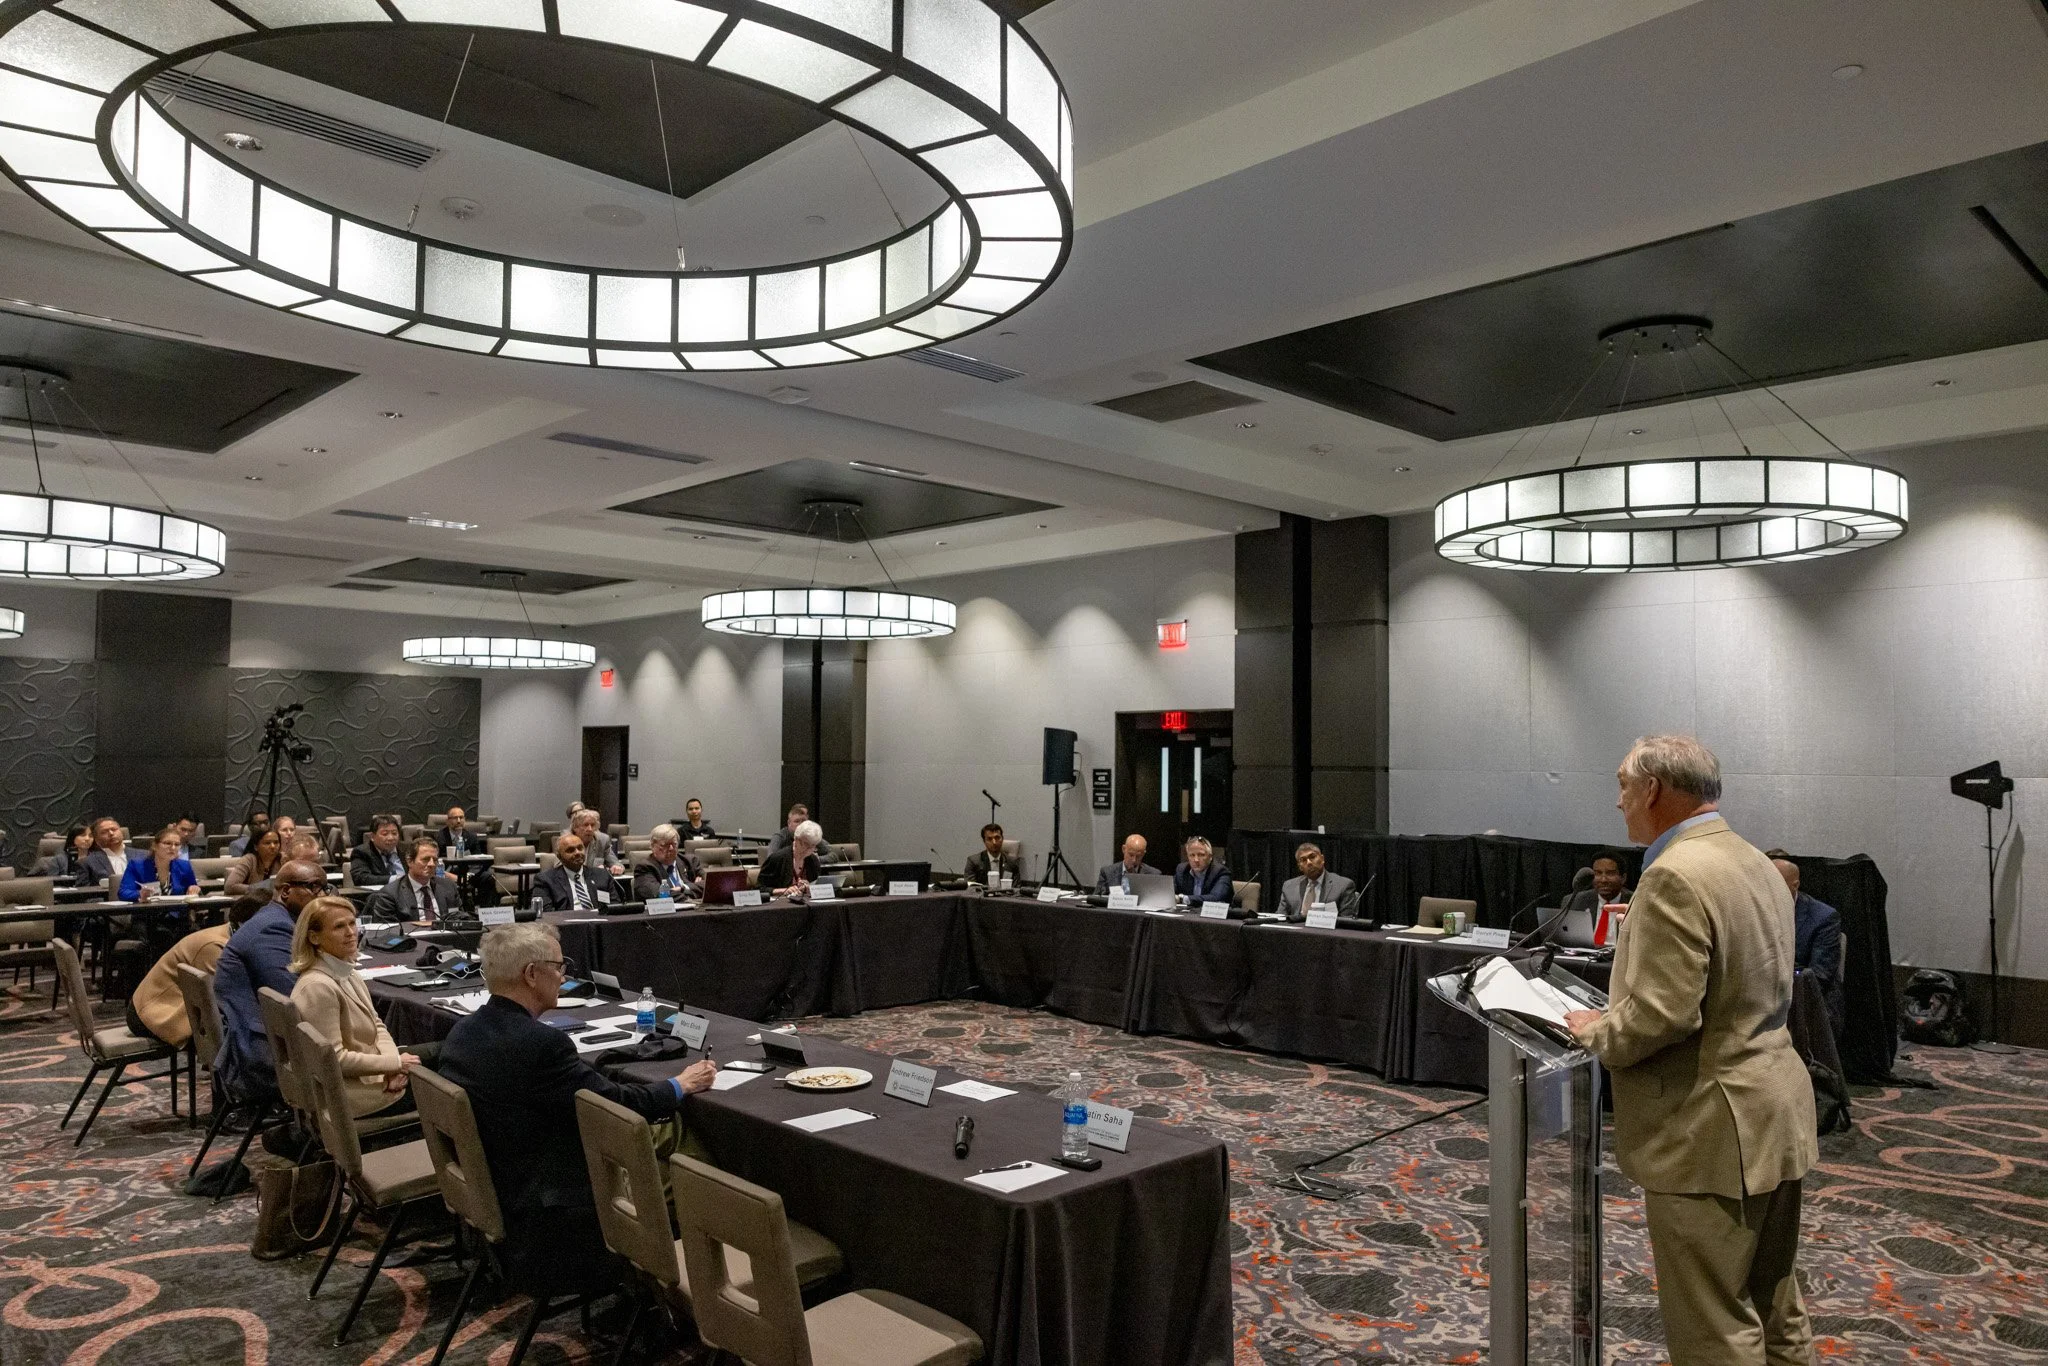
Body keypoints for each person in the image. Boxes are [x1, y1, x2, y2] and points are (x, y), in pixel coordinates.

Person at [1564, 737, 1817, 1366]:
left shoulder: (1674, 873)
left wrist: (1594, 1031)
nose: (1618, 801)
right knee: (1775, 1307)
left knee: (1714, 1326)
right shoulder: (1754, 860)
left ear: (1652, 790)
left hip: (1709, 1129)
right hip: (1775, 1112)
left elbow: (1663, 1015)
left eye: (1623, 785)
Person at [435, 922, 716, 1286]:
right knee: (690, 1149)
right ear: (531, 974)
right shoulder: (541, 1045)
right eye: (559, 966)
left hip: (505, 1186)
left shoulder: (463, 1031)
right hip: (556, 1212)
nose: (564, 976)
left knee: (662, 1137)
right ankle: (692, 1275)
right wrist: (681, 1084)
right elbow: (612, 1105)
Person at [289, 895, 419, 1117]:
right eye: (339, 927)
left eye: (352, 923)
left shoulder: (346, 971)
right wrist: (394, 1063)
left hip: (371, 1074)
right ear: (314, 937)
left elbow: (377, 1025)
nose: (350, 932)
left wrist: (392, 1066)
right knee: (448, 1081)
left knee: (443, 1053)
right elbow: (334, 1059)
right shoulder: (317, 987)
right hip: (350, 1096)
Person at [212, 860, 327, 1099]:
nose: (323, 896)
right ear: (286, 891)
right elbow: (295, 997)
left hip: (265, 1037)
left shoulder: (277, 918)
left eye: (325, 888)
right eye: (314, 887)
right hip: (264, 1052)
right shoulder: (273, 928)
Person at [126, 894, 266, 1047]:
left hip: (179, 1009)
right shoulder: (215, 946)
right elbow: (227, 998)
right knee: (247, 1034)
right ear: (246, 922)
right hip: (151, 1014)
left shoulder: (231, 936)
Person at [1765, 850, 1845, 1036]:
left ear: (1795, 885)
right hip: (1762, 998)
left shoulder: (1823, 918)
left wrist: (1778, 978)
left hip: (1807, 1003)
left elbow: (1818, 977)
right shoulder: (1755, 909)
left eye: (1775, 884)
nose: (1768, 891)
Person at [366, 840, 463, 924]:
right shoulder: (390, 894)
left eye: (435, 860)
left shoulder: (448, 887)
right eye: (425, 859)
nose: (432, 864)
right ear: (409, 861)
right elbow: (388, 932)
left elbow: (460, 920)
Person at [533, 833, 620, 913]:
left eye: (580, 848)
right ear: (559, 857)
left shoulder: (602, 875)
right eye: (570, 850)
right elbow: (546, 913)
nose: (577, 853)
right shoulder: (545, 880)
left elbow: (615, 906)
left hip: (600, 921)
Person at [1277, 842, 1359, 919]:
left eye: (1312, 857)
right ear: (1300, 867)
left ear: (1322, 859)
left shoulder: (1343, 885)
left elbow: (1345, 922)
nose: (1309, 863)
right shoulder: (1289, 886)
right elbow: (1280, 918)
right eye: (1303, 860)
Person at [119, 825, 198, 902]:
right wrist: (140, 894)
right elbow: (123, 893)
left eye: (177, 844)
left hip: (177, 910)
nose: (173, 848)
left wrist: (194, 889)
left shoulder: (184, 866)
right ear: (155, 846)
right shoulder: (137, 866)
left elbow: (193, 888)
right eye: (168, 843)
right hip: (148, 909)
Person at [633, 824, 702, 902]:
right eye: (665, 845)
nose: (671, 848)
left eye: (674, 844)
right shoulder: (644, 868)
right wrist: (692, 892)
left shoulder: (691, 861)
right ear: (653, 846)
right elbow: (659, 895)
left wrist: (683, 888)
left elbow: (709, 886)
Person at [758, 819, 823, 898]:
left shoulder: (813, 860)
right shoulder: (778, 858)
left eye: (813, 846)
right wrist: (783, 891)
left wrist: (809, 888)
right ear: (796, 840)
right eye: (806, 844)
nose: (809, 849)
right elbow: (760, 889)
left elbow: (817, 886)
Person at [349, 815, 405, 889]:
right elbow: (361, 878)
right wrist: (395, 879)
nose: (391, 838)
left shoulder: (407, 850)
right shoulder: (361, 852)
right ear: (372, 836)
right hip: (380, 893)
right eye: (385, 834)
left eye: (394, 833)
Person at [1094, 834, 1161, 895]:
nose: (1134, 860)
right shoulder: (1107, 873)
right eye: (1131, 855)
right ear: (1123, 849)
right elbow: (1096, 899)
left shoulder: (1153, 875)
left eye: (1138, 856)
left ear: (1143, 854)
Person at [225, 826, 284, 895]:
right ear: (256, 846)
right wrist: (261, 889)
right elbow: (230, 886)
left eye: (276, 842)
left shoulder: (283, 859)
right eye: (267, 843)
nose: (273, 846)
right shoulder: (249, 860)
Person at [766, 804, 835, 863]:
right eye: (797, 821)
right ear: (789, 823)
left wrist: (816, 859)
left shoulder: (811, 835)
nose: (800, 824)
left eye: (803, 821)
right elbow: (771, 858)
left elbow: (833, 855)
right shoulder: (780, 836)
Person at [1174, 836, 1233, 904]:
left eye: (1201, 855)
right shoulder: (1182, 870)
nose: (1196, 860)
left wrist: (1183, 899)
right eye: (1192, 855)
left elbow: (1216, 898)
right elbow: (1170, 893)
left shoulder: (1221, 872)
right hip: (1187, 910)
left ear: (1210, 857)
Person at [569, 808, 626, 878]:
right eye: (585, 825)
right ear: (575, 828)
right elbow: (560, 868)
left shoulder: (602, 841)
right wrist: (593, 871)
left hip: (594, 882)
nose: (590, 829)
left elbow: (615, 863)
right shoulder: (566, 842)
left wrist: (617, 867)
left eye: (592, 825)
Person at [78, 818, 126, 889]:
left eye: (114, 829)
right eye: (104, 832)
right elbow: (82, 892)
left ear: (122, 833)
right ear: (96, 840)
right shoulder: (86, 862)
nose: (111, 833)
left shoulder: (142, 855)